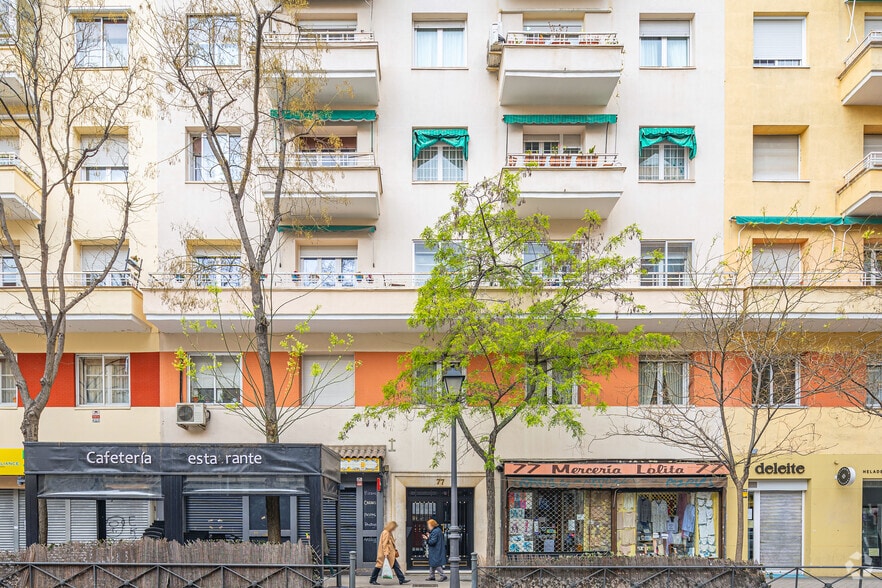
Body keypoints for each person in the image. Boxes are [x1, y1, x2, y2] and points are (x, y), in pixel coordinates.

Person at [370, 520, 410, 585]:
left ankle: (401, 579)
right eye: (394, 527)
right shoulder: (386, 532)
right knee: (378, 566)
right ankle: (372, 579)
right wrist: (386, 553)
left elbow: (389, 543)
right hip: (386, 554)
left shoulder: (388, 532)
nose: (394, 529)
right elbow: (384, 544)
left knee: (396, 566)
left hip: (390, 554)